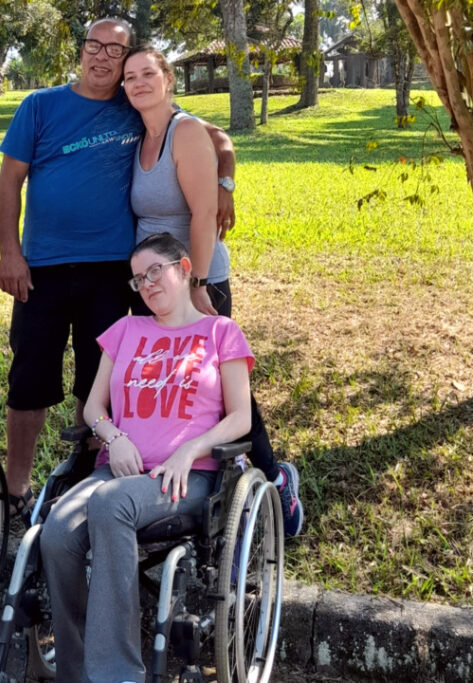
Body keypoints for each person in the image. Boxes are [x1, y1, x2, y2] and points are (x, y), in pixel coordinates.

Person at [0, 17, 237, 519]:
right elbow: (8, 184)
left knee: (100, 380)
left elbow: (217, 139)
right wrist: (10, 252)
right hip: (41, 266)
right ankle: (15, 489)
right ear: (80, 51)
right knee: (29, 377)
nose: (104, 57)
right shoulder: (39, 106)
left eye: (117, 52)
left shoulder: (136, 108)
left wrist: (225, 185)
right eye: (95, 46)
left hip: (111, 269)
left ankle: (84, 475)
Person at [40, 233, 253, 683]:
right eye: (139, 279)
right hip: (118, 472)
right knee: (57, 530)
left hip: (186, 478)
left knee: (110, 504)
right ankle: (76, 670)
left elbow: (241, 419)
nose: (148, 283)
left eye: (156, 270)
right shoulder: (126, 331)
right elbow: (94, 408)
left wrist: (190, 450)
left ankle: (117, 675)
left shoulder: (221, 333)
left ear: (184, 266)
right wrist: (113, 438)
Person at [123, 45, 304, 536]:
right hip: (156, 282)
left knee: (225, 389)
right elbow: (223, 140)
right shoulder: (142, 134)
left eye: (147, 74)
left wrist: (197, 284)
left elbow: (204, 214)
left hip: (196, 279)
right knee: (179, 385)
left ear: (167, 79)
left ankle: (274, 478)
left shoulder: (183, 131)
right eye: (130, 77)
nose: (138, 83)